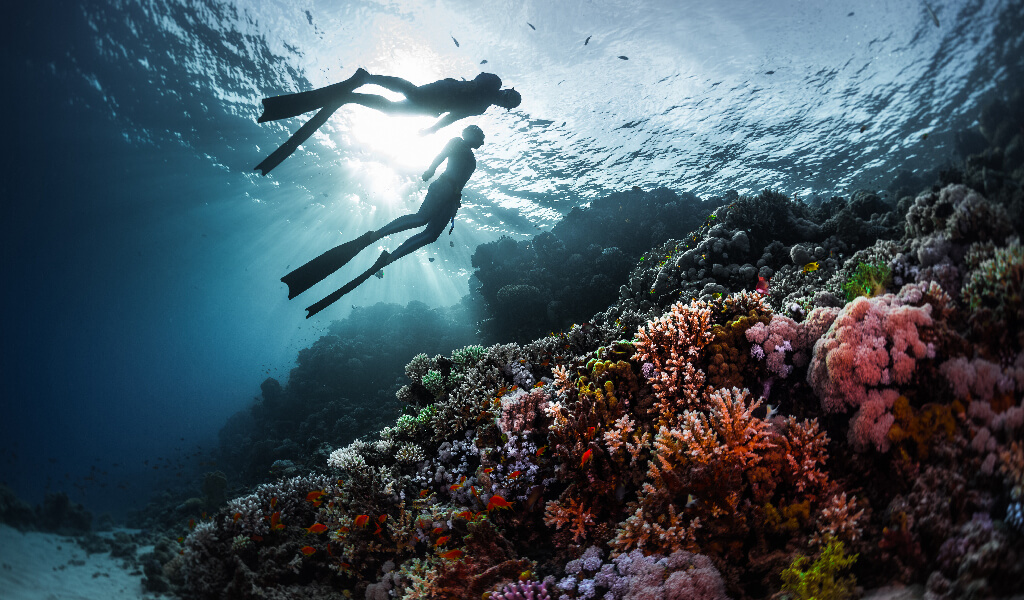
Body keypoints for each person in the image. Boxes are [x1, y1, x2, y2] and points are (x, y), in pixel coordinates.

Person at [282, 125, 486, 318]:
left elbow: (462, 181)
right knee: (420, 219)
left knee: (431, 235)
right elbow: (441, 156)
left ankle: (390, 257)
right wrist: (431, 169)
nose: (480, 140)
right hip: (443, 187)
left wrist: (454, 204)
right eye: (478, 136)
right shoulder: (457, 142)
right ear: (469, 133)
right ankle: (376, 235)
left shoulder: (472, 159)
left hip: (452, 198)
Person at [254, 69, 519, 175]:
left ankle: (354, 96)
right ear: (507, 91)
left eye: (507, 104)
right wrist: (473, 87)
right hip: (442, 92)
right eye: (508, 98)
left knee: (393, 110)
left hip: (435, 109)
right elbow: (480, 78)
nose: (503, 101)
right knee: (412, 91)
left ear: (504, 107)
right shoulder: (492, 83)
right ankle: (367, 78)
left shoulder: (482, 107)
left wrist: (430, 130)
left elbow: (455, 117)